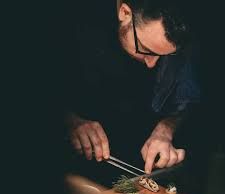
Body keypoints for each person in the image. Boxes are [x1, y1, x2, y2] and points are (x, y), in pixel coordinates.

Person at [65, 0, 200, 178]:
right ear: (125, 12)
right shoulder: (72, 18)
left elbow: (189, 95)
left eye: (164, 56)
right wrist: (69, 119)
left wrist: (166, 128)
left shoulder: (181, 26)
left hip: (139, 159)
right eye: (145, 49)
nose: (152, 65)